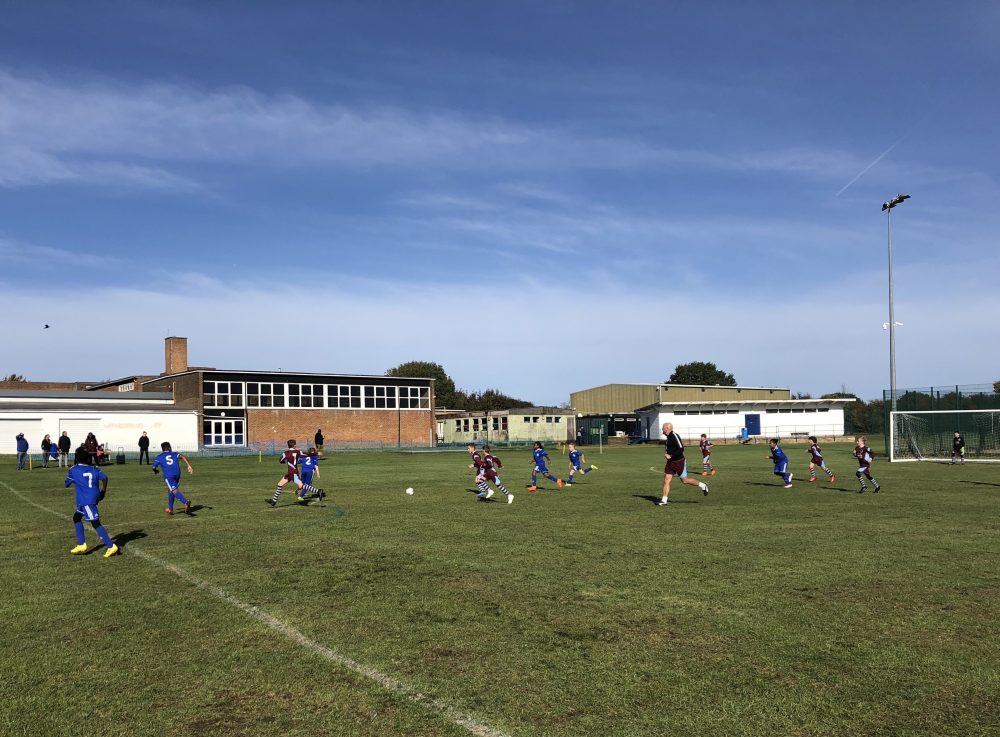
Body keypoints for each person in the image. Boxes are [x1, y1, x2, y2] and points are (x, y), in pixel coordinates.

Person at [66, 446, 119, 558]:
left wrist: (72, 480)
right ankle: (81, 544)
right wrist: (103, 491)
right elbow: (105, 478)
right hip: (92, 497)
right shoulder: (94, 468)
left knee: (95, 522)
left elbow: (67, 483)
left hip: (86, 500)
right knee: (76, 518)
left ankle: (111, 546)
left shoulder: (73, 470)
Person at [659, 422, 709, 505]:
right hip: (670, 462)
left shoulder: (674, 435)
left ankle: (703, 485)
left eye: (663, 428)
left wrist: (671, 456)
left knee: (685, 481)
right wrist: (667, 455)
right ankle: (664, 500)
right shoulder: (668, 438)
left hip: (679, 462)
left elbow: (681, 449)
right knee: (666, 480)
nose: (662, 430)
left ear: (667, 428)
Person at [267, 439, 323, 507]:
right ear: (295, 446)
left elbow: (280, 460)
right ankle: (274, 501)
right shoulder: (298, 452)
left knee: (301, 485)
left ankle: (318, 491)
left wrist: (283, 462)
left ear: (288, 446)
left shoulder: (286, 453)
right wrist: (316, 453)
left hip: (292, 473)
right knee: (280, 484)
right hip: (292, 473)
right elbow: (306, 454)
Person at [152, 441, 195, 514]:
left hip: (169, 476)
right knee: (171, 490)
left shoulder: (159, 456)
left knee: (174, 490)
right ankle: (170, 508)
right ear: (169, 448)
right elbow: (182, 456)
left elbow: (153, 466)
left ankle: (185, 502)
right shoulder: (174, 454)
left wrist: (155, 471)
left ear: (162, 449)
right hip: (177, 474)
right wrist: (189, 465)